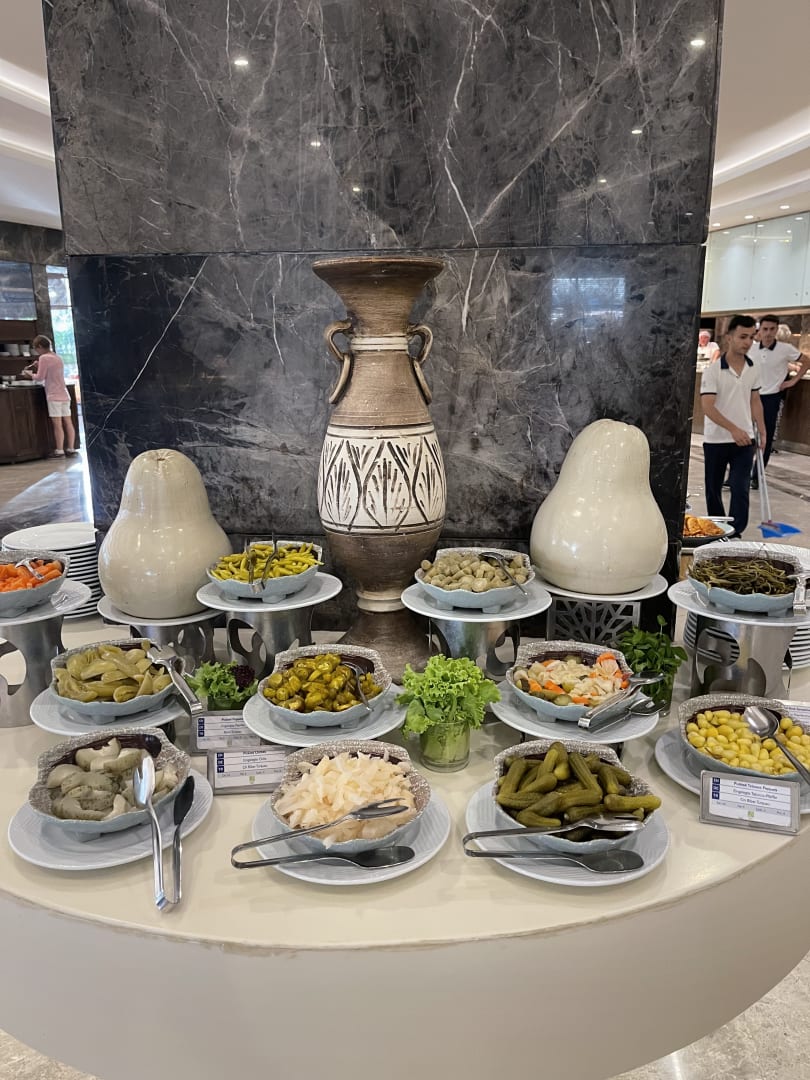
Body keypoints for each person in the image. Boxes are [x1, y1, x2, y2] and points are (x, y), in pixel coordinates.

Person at [700, 314, 765, 537]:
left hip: (745, 440)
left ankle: (735, 532)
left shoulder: (753, 368)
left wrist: (762, 429)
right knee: (713, 488)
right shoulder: (713, 371)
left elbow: (755, 400)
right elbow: (707, 406)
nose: (747, 342)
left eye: (751, 337)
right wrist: (733, 429)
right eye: (742, 336)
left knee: (740, 487)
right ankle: (718, 530)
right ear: (729, 337)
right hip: (716, 439)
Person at [747, 314, 809, 487]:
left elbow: (806, 361)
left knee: (765, 437)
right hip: (751, 396)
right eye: (765, 329)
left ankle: (756, 476)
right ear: (759, 330)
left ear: (776, 330)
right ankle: (739, 475)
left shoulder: (785, 349)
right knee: (746, 436)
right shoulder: (752, 348)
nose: (768, 333)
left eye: (772, 329)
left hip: (771, 397)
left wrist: (792, 381)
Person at [21, 335, 77, 457]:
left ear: (40, 346)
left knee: (57, 424)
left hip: (53, 395)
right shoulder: (57, 357)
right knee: (68, 422)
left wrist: (29, 375)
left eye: (36, 348)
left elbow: (40, 377)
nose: (37, 351)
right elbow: (52, 373)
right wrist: (39, 366)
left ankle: (59, 450)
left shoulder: (44, 358)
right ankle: (71, 448)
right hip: (64, 394)